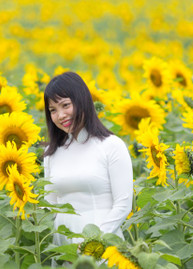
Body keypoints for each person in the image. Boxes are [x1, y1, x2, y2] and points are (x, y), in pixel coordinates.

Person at [42, 72, 134, 245]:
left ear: (82, 100)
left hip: (102, 245)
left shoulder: (111, 145)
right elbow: (50, 206)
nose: (60, 115)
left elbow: (123, 205)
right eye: (53, 110)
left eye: (66, 105)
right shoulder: (52, 152)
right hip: (62, 247)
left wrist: (92, 243)